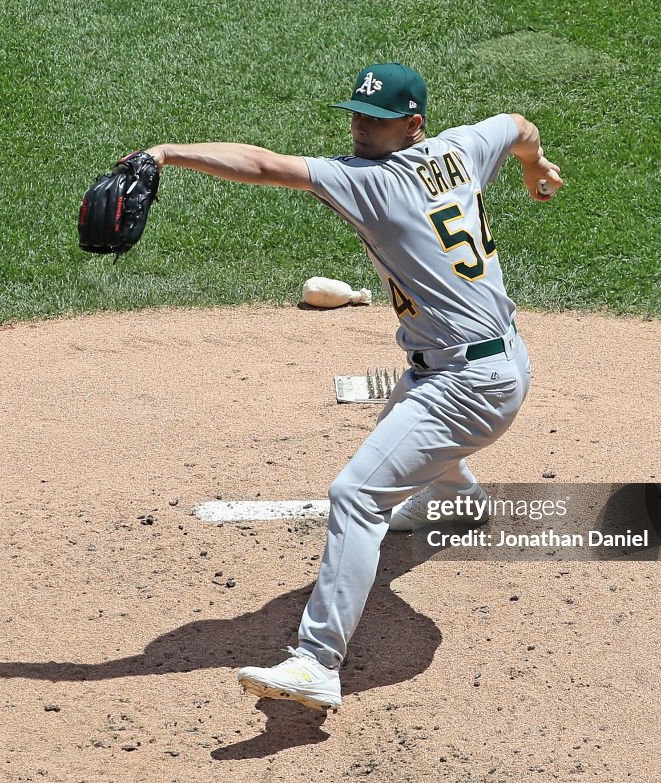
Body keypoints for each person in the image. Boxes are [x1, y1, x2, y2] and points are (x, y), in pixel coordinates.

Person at [145, 63, 562, 712]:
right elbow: (519, 125)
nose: (361, 128)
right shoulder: (459, 147)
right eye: (356, 116)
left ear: (413, 124)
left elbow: (261, 165)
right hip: (488, 365)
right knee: (408, 416)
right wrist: (536, 168)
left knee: (356, 495)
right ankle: (456, 500)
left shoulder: (371, 183)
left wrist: (167, 153)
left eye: (376, 119)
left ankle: (316, 662)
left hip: (468, 384)